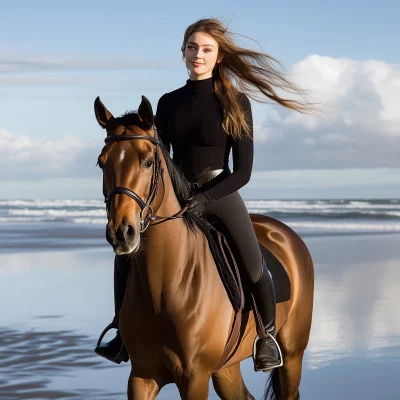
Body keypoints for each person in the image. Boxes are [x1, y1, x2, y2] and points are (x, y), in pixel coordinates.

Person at [95, 18, 319, 372]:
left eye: (206, 49)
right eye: (192, 47)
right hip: (176, 196)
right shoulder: (166, 104)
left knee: (252, 261)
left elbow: (243, 171)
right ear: (182, 52)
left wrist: (204, 199)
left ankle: (267, 336)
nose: (198, 54)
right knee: (125, 253)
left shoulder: (234, 102)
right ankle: (122, 330)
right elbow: (158, 160)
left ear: (218, 56)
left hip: (219, 191)